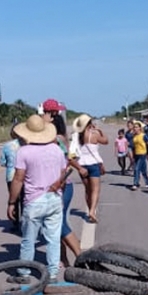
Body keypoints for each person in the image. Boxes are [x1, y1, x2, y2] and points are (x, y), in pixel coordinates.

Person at [7, 115, 66, 283]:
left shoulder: (24, 152)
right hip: (54, 198)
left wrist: (12, 202)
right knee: (53, 238)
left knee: (28, 240)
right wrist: (57, 184)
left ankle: (24, 273)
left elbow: (18, 179)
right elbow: (63, 172)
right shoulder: (56, 149)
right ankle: (53, 273)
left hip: (34, 200)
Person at [42, 111, 84, 267]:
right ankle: (64, 258)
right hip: (58, 186)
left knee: (59, 223)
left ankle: (80, 256)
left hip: (61, 186)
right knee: (56, 224)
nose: (43, 117)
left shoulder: (57, 140)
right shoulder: (56, 139)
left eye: (45, 115)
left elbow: (64, 165)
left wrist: (58, 185)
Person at [73, 114, 108, 223]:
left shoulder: (76, 136)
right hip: (93, 164)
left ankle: (89, 210)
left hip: (82, 164)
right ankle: (92, 211)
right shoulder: (94, 135)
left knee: (87, 190)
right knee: (95, 190)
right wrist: (100, 131)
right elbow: (105, 141)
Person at [0, 124, 22, 227]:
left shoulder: (7, 146)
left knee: (14, 199)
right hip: (24, 175)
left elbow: (3, 162)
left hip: (11, 175)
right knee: (25, 200)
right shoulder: (26, 144)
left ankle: (15, 222)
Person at [131, 122, 148, 190]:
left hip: (142, 154)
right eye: (134, 127)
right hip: (136, 155)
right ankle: (147, 183)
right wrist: (133, 156)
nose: (135, 128)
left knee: (136, 169)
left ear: (139, 128)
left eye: (136, 127)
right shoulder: (134, 136)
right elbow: (133, 147)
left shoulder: (143, 135)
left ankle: (135, 184)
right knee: (143, 170)